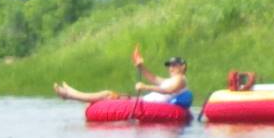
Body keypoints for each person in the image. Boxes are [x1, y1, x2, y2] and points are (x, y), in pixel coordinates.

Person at [53, 47, 190, 105]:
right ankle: (71, 93)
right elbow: (153, 78)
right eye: (169, 65)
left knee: (107, 94)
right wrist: (141, 66)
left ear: (182, 66)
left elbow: (169, 90)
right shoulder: (170, 79)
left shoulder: (181, 79)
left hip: (147, 104)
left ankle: (70, 95)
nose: (170, 68)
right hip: (144, 101)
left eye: (174, 65)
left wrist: (145, 86)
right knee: (110, 95)